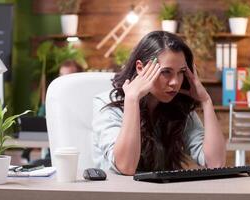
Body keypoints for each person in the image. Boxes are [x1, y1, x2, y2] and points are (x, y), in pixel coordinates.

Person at [92, 31, 226, 175]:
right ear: (140, 68)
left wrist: (206, 101)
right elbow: (126, 167)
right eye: (166, 72)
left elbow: (215, 163)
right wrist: (132, 100)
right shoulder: (108, 104)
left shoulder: (177, 105)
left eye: (181, 72)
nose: (175, 82)